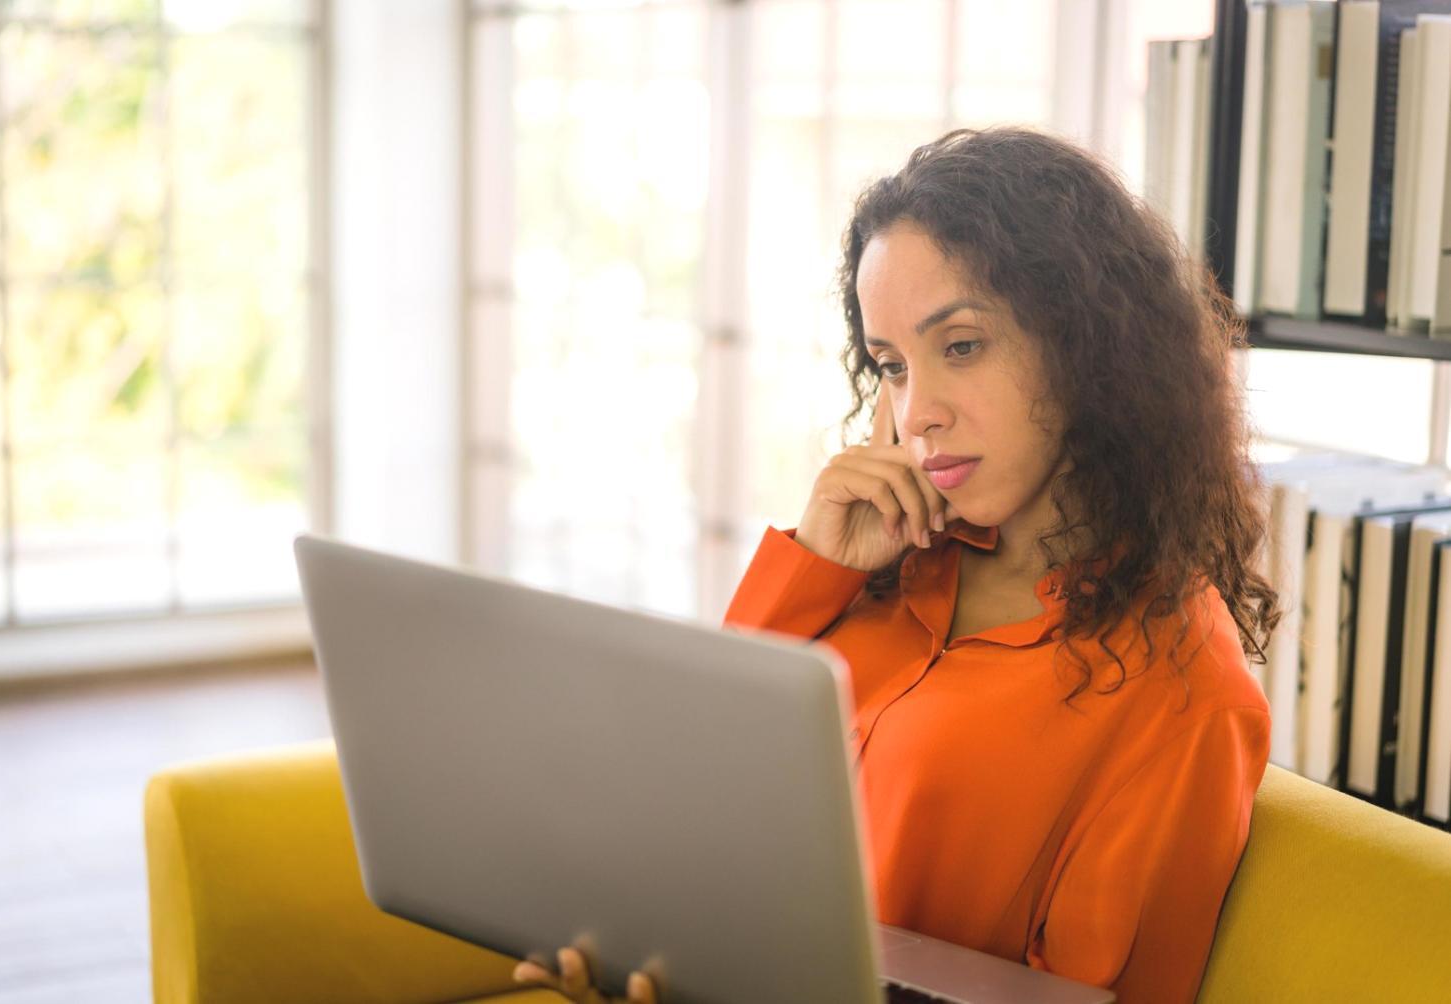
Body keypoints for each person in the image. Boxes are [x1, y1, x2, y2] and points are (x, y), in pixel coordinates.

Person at [513, 125, 1278, 1004]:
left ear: (1089, 349)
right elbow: (693, 791)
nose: (917, 415)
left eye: (960, 347)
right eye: (892, 367)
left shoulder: (1181, 695)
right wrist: (815, 567)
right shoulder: (878, 567)